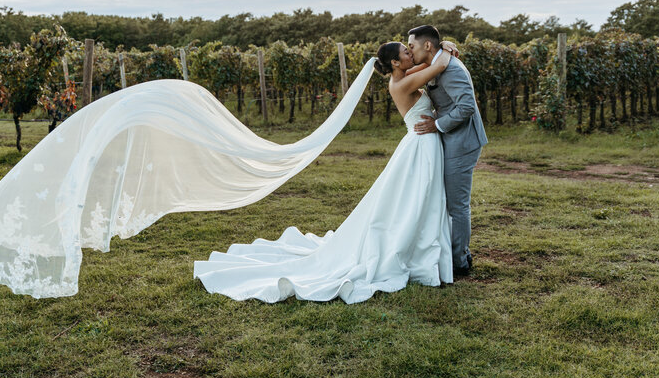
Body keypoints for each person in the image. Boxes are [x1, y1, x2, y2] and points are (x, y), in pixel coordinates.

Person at [193, 41, 458, 303]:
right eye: (405, 52)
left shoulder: (405, 75)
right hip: (420, 145)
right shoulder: (403, 83)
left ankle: (424, 248)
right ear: (395, 63)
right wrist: (445, 48)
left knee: (421, 199)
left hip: (422, 143)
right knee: (418, 198)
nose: (411, 53)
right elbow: (439, 64)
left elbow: (427, 63)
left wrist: (438, 49)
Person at [408, 25, 487, 276]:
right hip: (450, 139)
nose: (410, 51)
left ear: (427, 46)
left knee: (457, 205)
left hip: (462, 142)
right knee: (448, 201)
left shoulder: (450, 69)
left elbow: (466, 107)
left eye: (412, 46)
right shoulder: (437, 63)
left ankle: (460, 261)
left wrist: (437, 124)